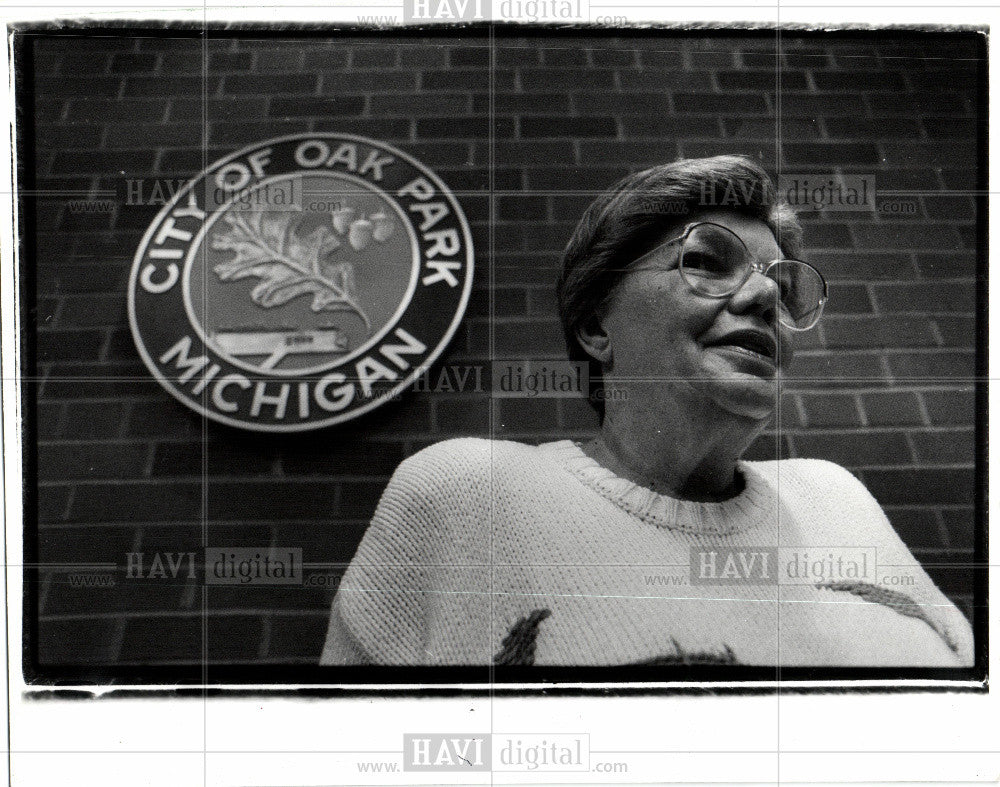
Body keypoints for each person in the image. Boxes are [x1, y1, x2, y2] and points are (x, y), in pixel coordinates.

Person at [320, 155, 974, 668]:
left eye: (781, 283)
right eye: (705, 262)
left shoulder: (836, 494)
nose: (762, 296)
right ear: (596, 325)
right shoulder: (468, 491)